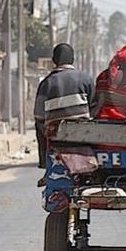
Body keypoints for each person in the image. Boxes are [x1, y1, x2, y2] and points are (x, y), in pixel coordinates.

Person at [34, 43, 94, 186]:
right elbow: (94, 107)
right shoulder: (85, 79)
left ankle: (45, 165)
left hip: (56, 136)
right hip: (83, 135)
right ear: (72, 59)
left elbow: (39, 115)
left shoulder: (46, 83)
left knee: (39, 125)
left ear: (54, 60)